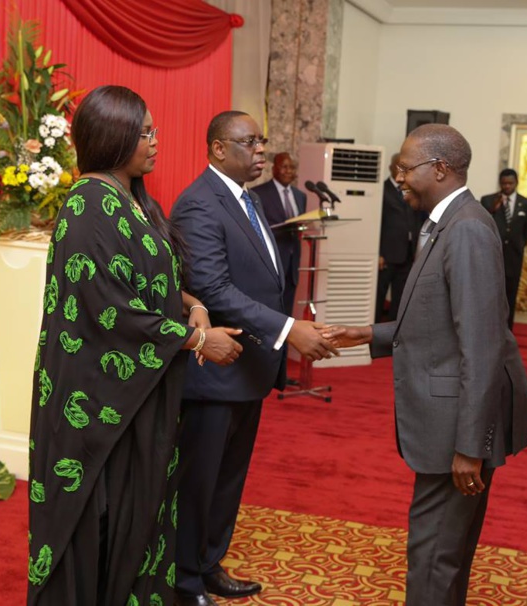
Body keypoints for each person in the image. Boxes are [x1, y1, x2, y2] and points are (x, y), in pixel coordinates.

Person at [27, 85, 243, 606]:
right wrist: (197, 339)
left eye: (153, 129)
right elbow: (112, 311)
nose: (154, 139)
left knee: (137, 518)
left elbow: (157, 278)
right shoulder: (87, 206)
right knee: (97, 525)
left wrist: (191, 303)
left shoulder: (134, 199)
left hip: (134, 397)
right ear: (113, 135)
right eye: (143, 131)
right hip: (95, 406)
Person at [322, 124, 527, 606]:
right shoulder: (448, 220)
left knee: (434, 554)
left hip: (456, 424)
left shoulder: (466, 231)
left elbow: (481, 347)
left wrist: (469, 447)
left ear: (440, 169)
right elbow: (437, 318)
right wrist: (371, 333)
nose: (398, 176)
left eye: (405, 166)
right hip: (453, 416)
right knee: (445, 552)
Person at [170, 111, 339, 606]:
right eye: (249, 142)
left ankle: (207, 564)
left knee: (228, 478)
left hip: (248, 366)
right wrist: (289, 330)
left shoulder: (247, 198)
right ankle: (183, 581)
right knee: (199, 482)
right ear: (218, 149)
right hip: (215, 370)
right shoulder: (200, 204)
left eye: (262, 141)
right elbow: (212, 288)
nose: (261, 150)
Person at [252, 152, 307, 318]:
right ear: (274, 169)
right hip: (270, 262)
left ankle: (284, 344)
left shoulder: (300, 196)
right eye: (284, 167)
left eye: (292, 167)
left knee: (287, 311)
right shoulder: (258, 193)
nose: (288, 171)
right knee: (269, 312)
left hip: (292, 264)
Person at [480, 168, 527, 329]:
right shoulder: (489, 201)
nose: (507, 186)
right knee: (490, 294)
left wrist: (518, 245)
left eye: (510, 183)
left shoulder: (526, 203)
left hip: (514, 258)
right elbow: (483, 224)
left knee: (510, 295)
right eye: (504, 183)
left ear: (516, 183)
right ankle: (488, 328)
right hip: (492, 256)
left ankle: (506, 330)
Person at [375, 152, 420, 322]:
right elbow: (377, 223)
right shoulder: (382, 190)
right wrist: (378, 252)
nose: (402, 171)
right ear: (390, 168)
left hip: (408, 253)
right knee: (379, 297)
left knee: (400, 299)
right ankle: (373, 337)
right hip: (386, 255)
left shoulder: (411, 189)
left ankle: (393, 337)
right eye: (399, 167)